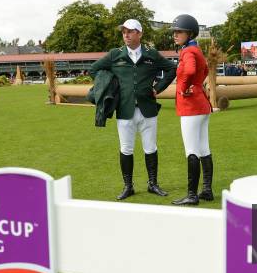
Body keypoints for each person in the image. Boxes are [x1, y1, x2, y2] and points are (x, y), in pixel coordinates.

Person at [90, 19, 177, 200]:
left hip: (148, 109)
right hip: (125, 110)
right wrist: (109, 87)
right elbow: (94, 69)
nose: (126, 35)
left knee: (150, 148)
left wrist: (158, 88)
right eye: (123, 32)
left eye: (130, 31)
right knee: (126, 149)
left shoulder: (152, 54)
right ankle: (128, 186)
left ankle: (153, 184)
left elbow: (172, 69)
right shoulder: (115, 54)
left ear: (139, 33)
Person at [170, 14, 214, 206]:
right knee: (204, 147)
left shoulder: (187, 52)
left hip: (190, 105)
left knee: (191, 150)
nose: (175, 34)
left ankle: (192, 195)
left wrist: (182, 87)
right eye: (175, 31)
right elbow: (204, 71)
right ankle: (206, 190)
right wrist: (195, 85)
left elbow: (188, 71)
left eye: (179, 31)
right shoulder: (196, 49)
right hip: (202, 104)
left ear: (189, 33)